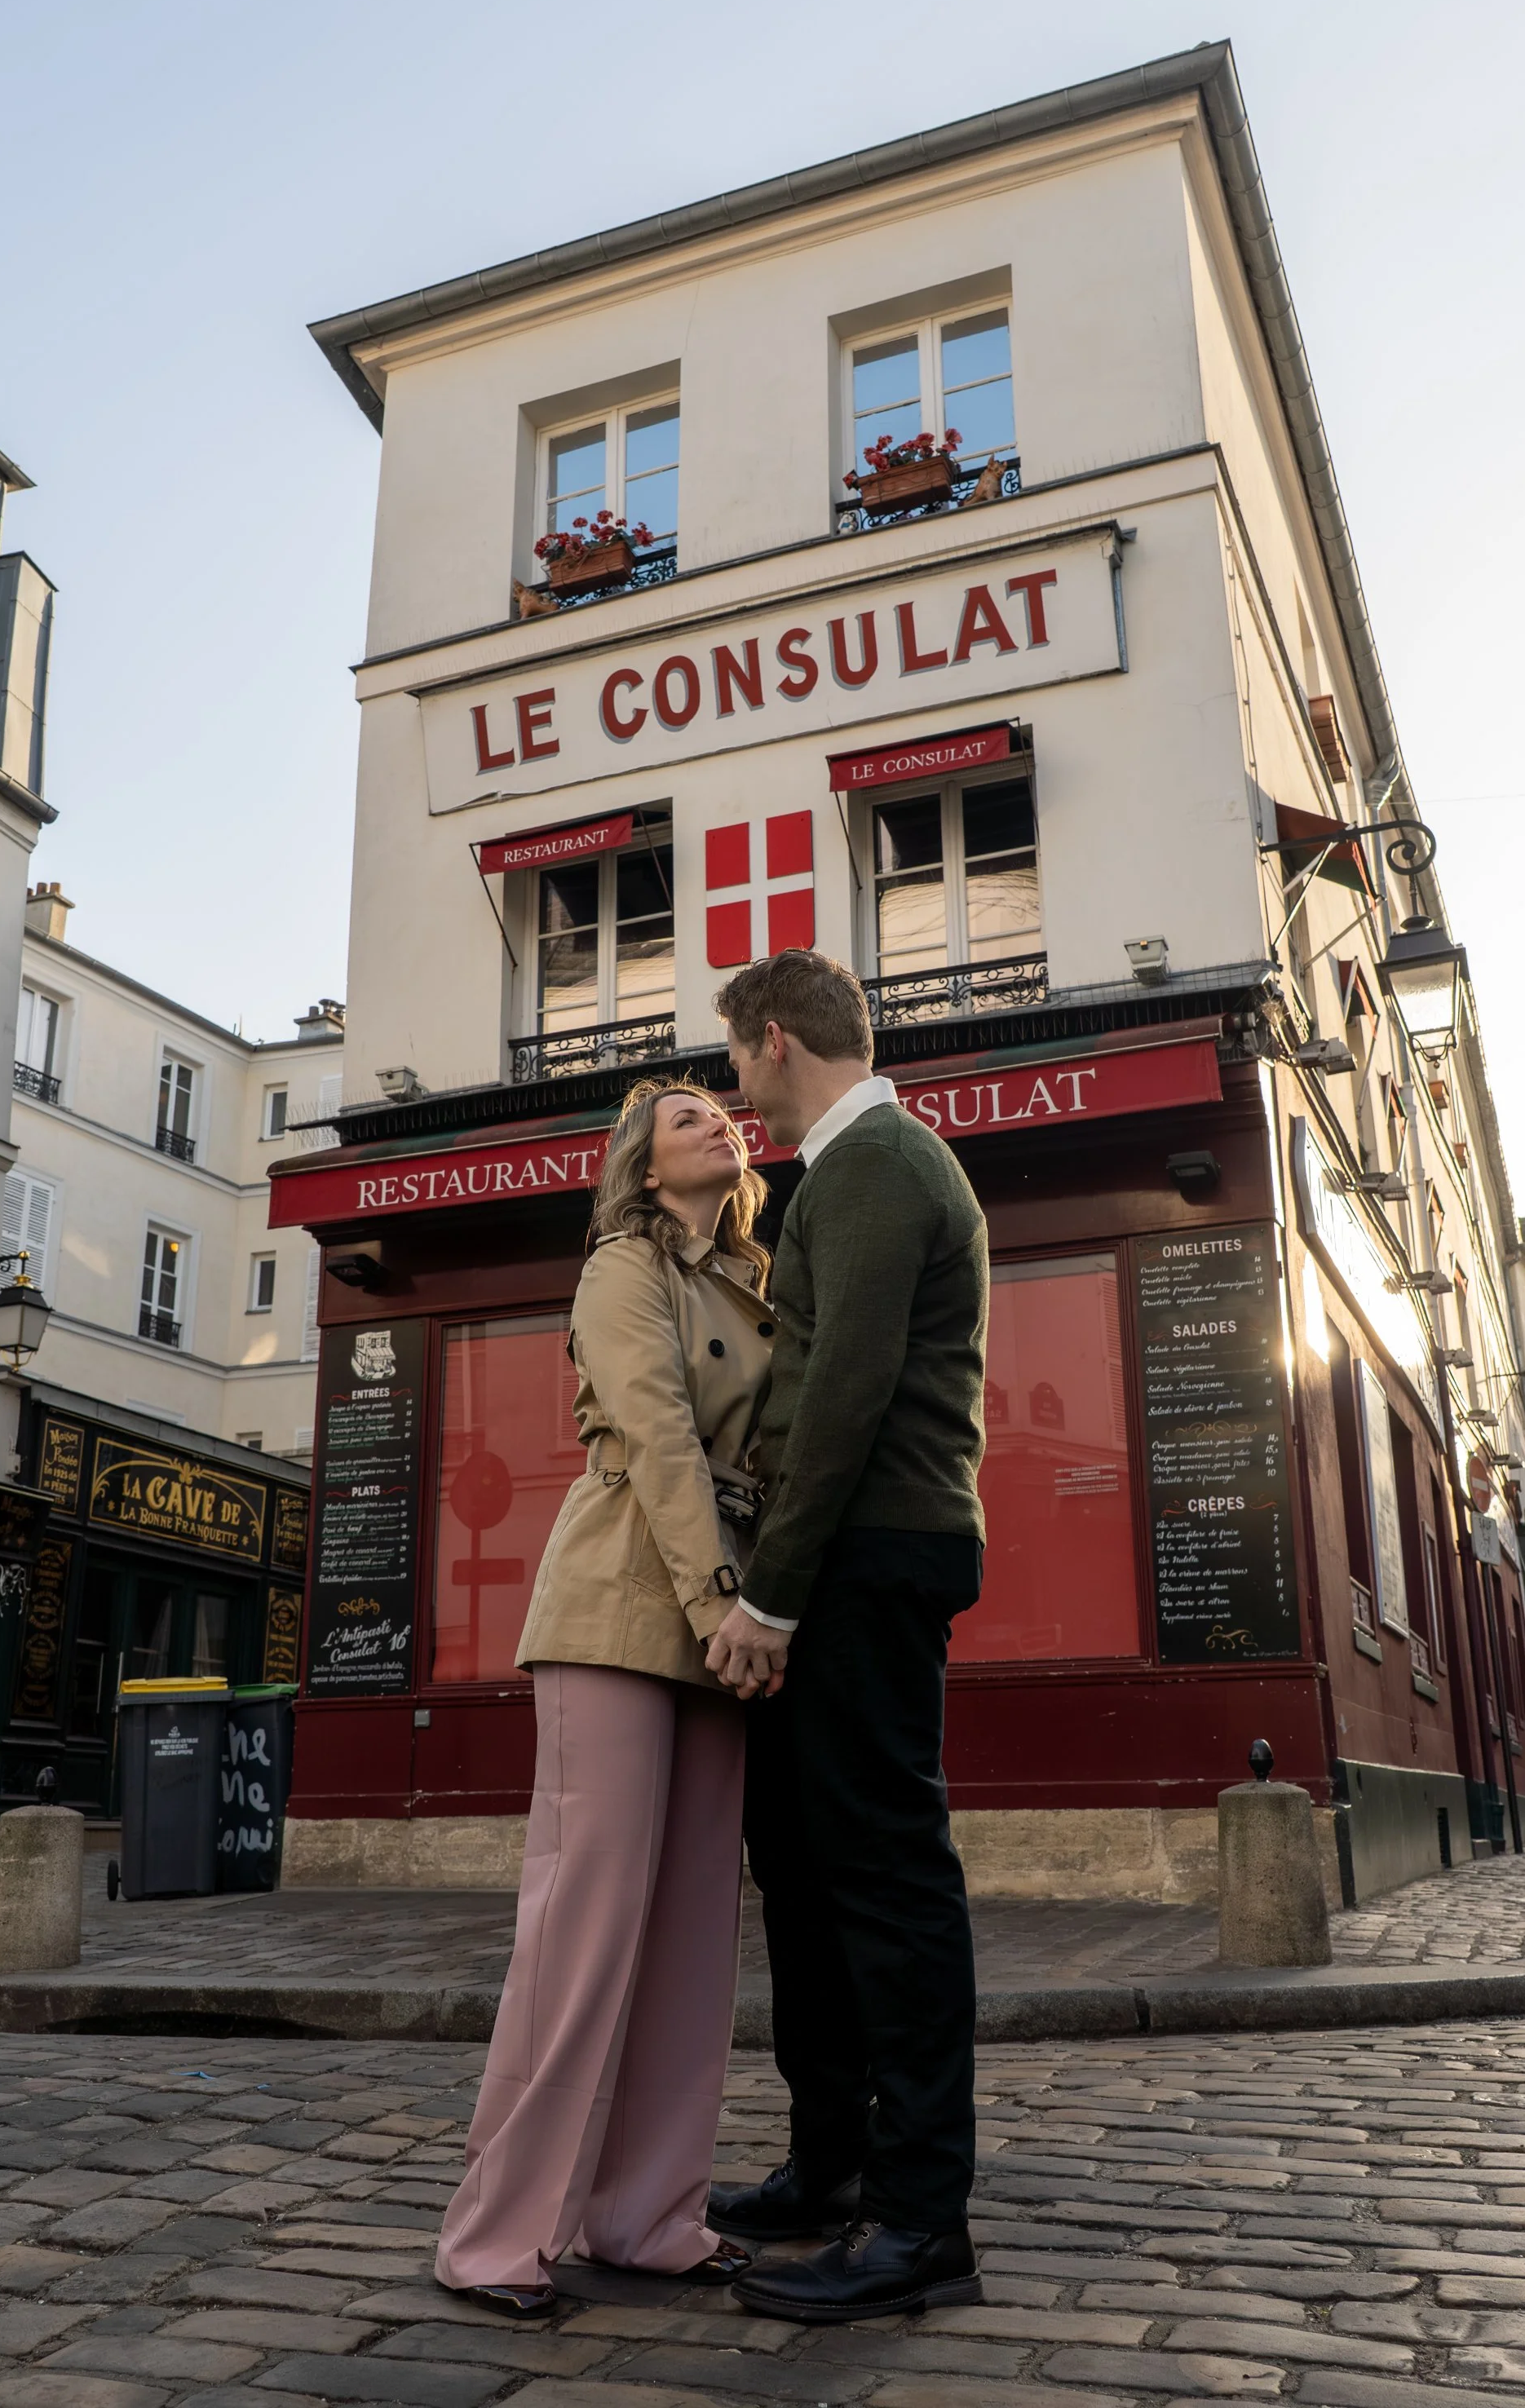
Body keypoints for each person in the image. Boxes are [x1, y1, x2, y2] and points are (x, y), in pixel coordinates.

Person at [434, 1080, 776, 2318]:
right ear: (641, 1167)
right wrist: (723, 1604)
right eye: (685, 1118)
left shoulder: (757, 1281)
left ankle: (646, 2217)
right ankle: (494, 2236)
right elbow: (660, 1435)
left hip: (728, 1615)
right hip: (629, 1599)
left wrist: (760, 1612)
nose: (717, 1124)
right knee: (580, 1937)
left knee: (693, 1939)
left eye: (724, 1115)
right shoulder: (623, 1267)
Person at [704, 948, 988, 2323]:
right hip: (850, 1553)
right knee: (807, 1875)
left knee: (884, 1880)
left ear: (773, 1042)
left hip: (873, 1551)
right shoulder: (854, 1166)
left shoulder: (878, 1163)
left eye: (736, 1062)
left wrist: (772, 1596)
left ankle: (921, 2218)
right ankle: (832, 2166)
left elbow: (845, 1399)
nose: (734, 1091)